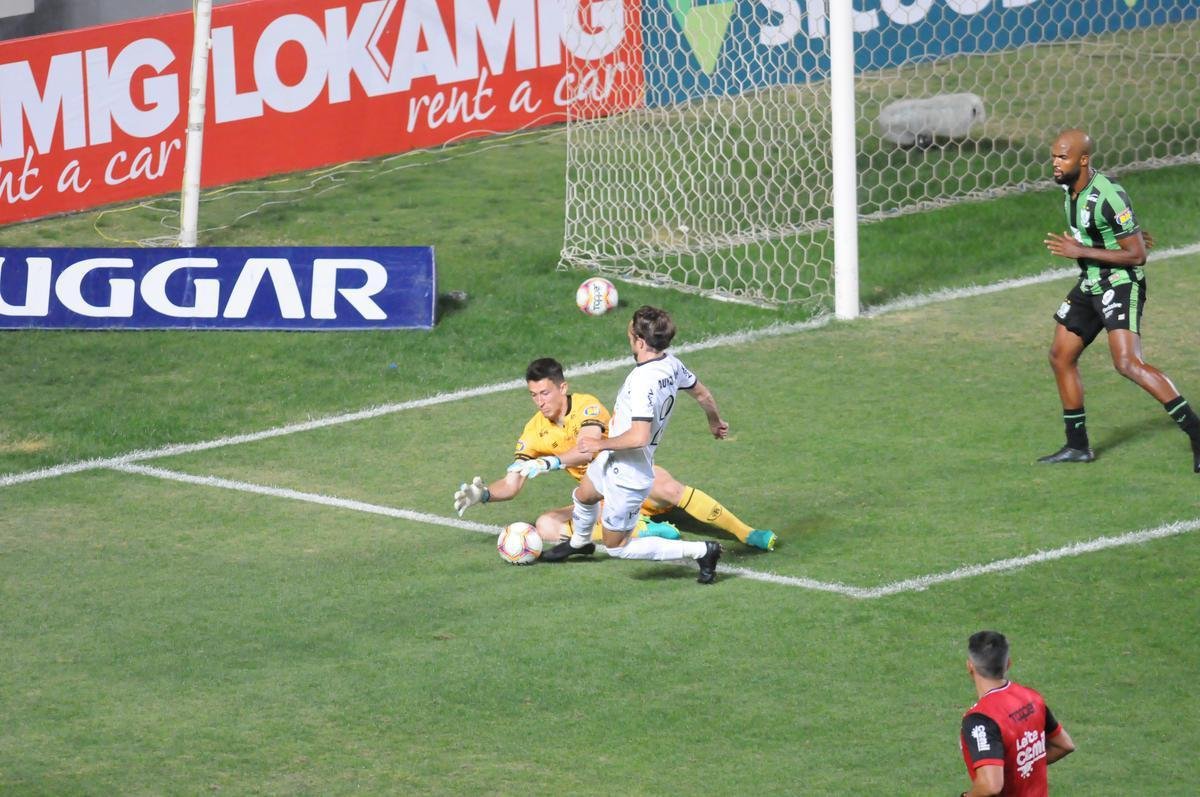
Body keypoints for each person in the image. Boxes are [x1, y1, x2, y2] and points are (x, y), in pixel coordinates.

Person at [453, 358, 776, 550]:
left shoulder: (587, 405)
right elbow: (512, 484)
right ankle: (645, 531)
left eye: (545, 392)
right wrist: (483, 495)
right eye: (533, 395)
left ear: (562, 387)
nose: (539, 401)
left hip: (628, 476)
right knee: (546, 525)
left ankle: (747, 534)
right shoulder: (532, 431)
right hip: (596, 497)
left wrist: (549, 461)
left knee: (668, 487)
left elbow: (586, 447)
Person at [1039, 128, 1200, 471]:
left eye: (1062, 157)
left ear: (1083, 160)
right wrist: (1120, 240)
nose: (1055, 163)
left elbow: (1137, 257)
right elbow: (1119, 236)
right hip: (1092, 281)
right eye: (1053, 156)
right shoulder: (1071, 188)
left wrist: (1079, 250)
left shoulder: (1107, 194)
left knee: (1128, 363)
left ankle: (1197, 433)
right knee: (1060, 355)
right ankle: (1078, 446)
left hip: (1121, 284)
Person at [539, 306, 728, 583]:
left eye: (630, 331)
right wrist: (715, 420)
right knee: (584, 495)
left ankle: (701, 551)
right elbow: (703, 394)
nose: (627, 335)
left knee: (618, 547)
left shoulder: (643, 381)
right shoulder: (671, 364)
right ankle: (579, 542)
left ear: (640, 342)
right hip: (614, 459)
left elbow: (639, 436)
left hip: (628, 471)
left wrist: (601, 443)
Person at [959, 630, 1075, 796]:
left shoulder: (980, 720)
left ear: (970, 666)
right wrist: (1021, 768)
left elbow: (991, 785)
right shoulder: (1032, 698)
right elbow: (1063, 744)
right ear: (1008, 664)